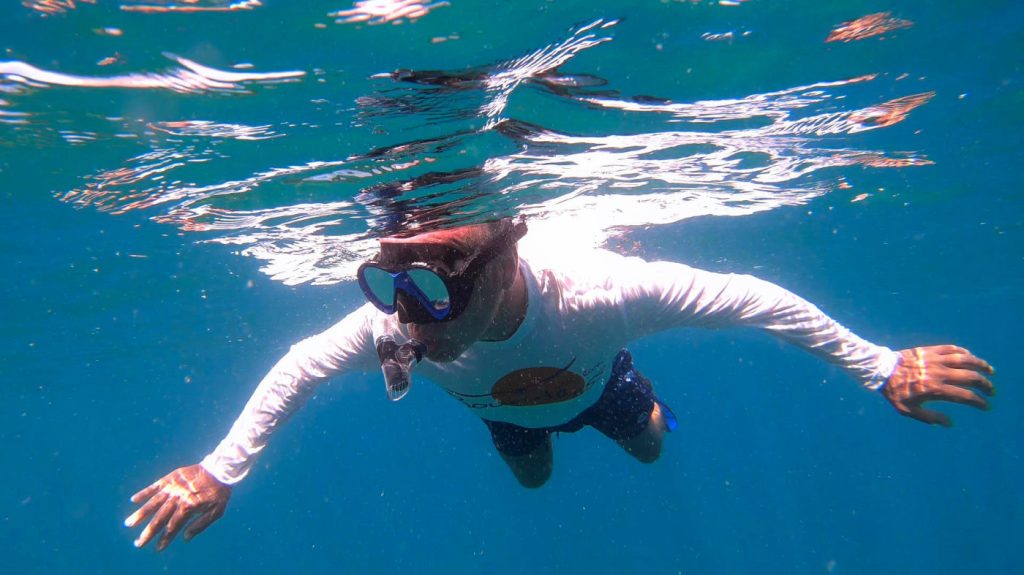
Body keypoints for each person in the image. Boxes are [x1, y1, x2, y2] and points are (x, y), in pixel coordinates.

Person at [124, 217, 995, 551]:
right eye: (390, 286)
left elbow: (752, 299)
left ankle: (648, 406)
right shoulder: (395, 318)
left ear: (506, 264)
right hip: (504, 414)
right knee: (533, 477)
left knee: (648, 445)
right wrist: (221, 467)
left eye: (433, 291)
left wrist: (880, 364)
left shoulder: (601, 291)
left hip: (598, 383)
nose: (408, 317)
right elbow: (301, 364)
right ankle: (544, 434)